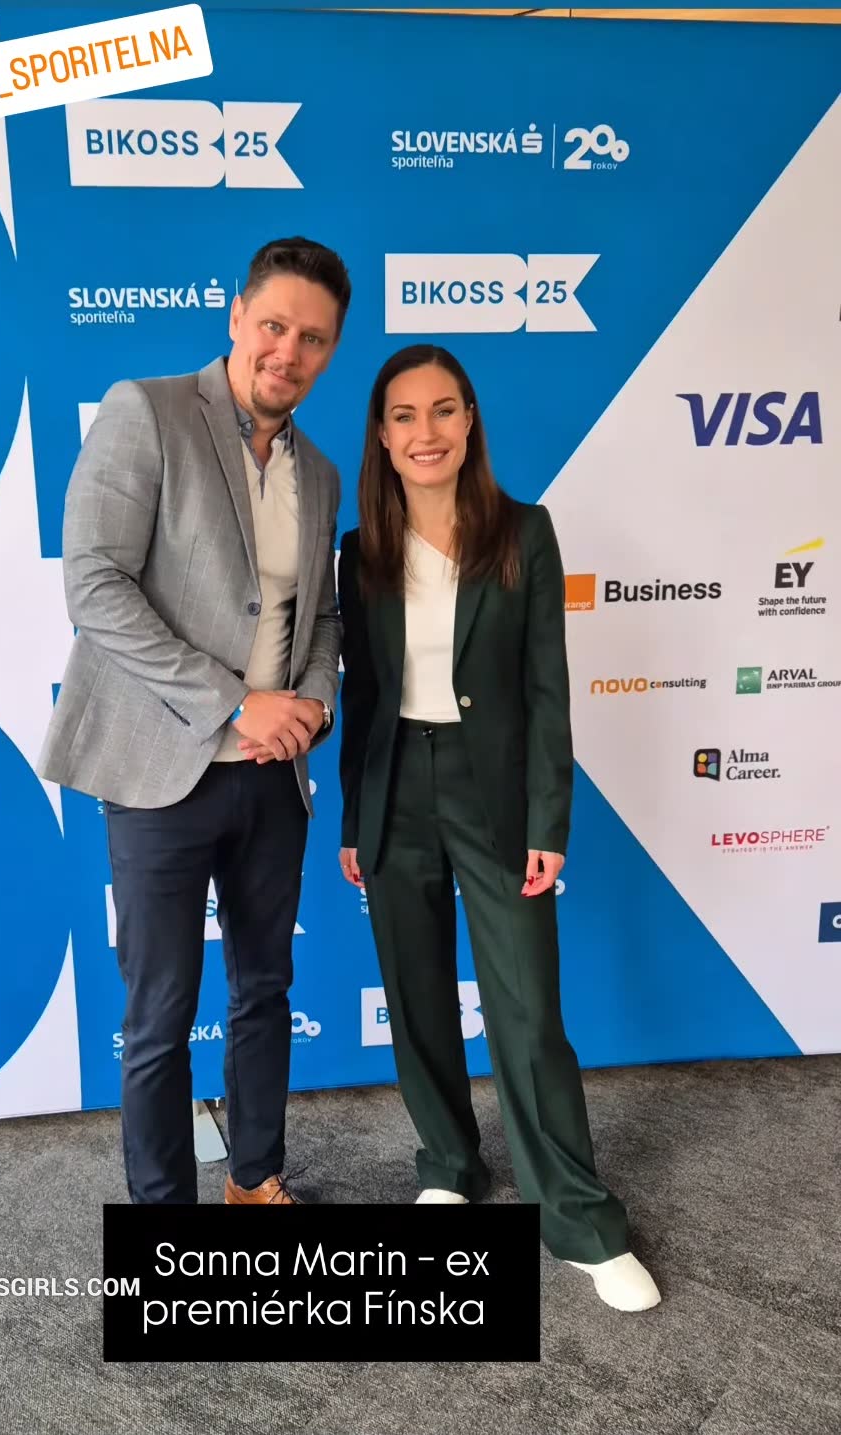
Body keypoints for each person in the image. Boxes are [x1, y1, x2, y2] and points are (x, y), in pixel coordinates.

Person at [335, 343, 661, 1312]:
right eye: (404, 415)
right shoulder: (360, 549)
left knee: (526, 1011)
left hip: (496, 799)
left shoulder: (525, 531)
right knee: (415, 994)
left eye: (443, 410)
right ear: (381, 433)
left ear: (469, 419)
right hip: (395, 790)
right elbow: (363, 699)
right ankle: (449, 1162)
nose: (424, 431)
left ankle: (580, 1219)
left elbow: (547, 686)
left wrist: (548, 819)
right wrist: (356, 818)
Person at [38, 236, 350, 1206]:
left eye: (313, 338)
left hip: (273, 778)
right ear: (236, 316)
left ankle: (254, 1178)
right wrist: (235, 701)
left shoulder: (321, 472)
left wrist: (313, 705)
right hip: (158, 772)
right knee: (161, 1015)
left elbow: (321, 617)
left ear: (330, 351)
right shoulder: (149, 410)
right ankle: (164, 1215)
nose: (288, 352)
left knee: (265, 991)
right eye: (274, 326)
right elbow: (95, 583)